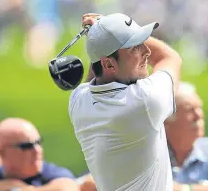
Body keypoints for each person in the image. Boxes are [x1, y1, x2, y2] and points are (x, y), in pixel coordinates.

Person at [69, 13, 182, 191]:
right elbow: (168, 57)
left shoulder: (78, 100)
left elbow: (97, 74)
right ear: (109, 65)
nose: (147, 51)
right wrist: (102, 26)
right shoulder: (144, 101)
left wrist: (101, 34)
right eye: (135, 48)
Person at [0, 117, 80, 191]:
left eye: (38, 142)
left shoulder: (49, 172)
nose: (37, 150)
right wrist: (8, 186)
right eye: (26, 146)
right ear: (2, 152)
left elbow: (66, 188)